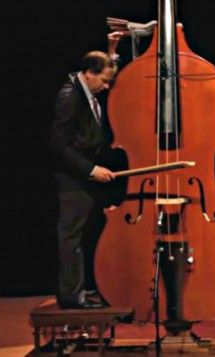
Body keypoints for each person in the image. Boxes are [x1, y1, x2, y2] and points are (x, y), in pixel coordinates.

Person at [50, 32, 125, 309]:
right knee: (71, 238)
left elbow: (107, 71)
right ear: (89, 73)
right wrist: (91, 169)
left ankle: (85, 289)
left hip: (84, 176)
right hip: (73, 179)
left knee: (84, 235)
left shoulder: (87, 87)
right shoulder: (70, 97)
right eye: (104, 81)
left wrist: (112, 51)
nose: (107, 87)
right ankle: (72, 296)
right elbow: (58, 145)